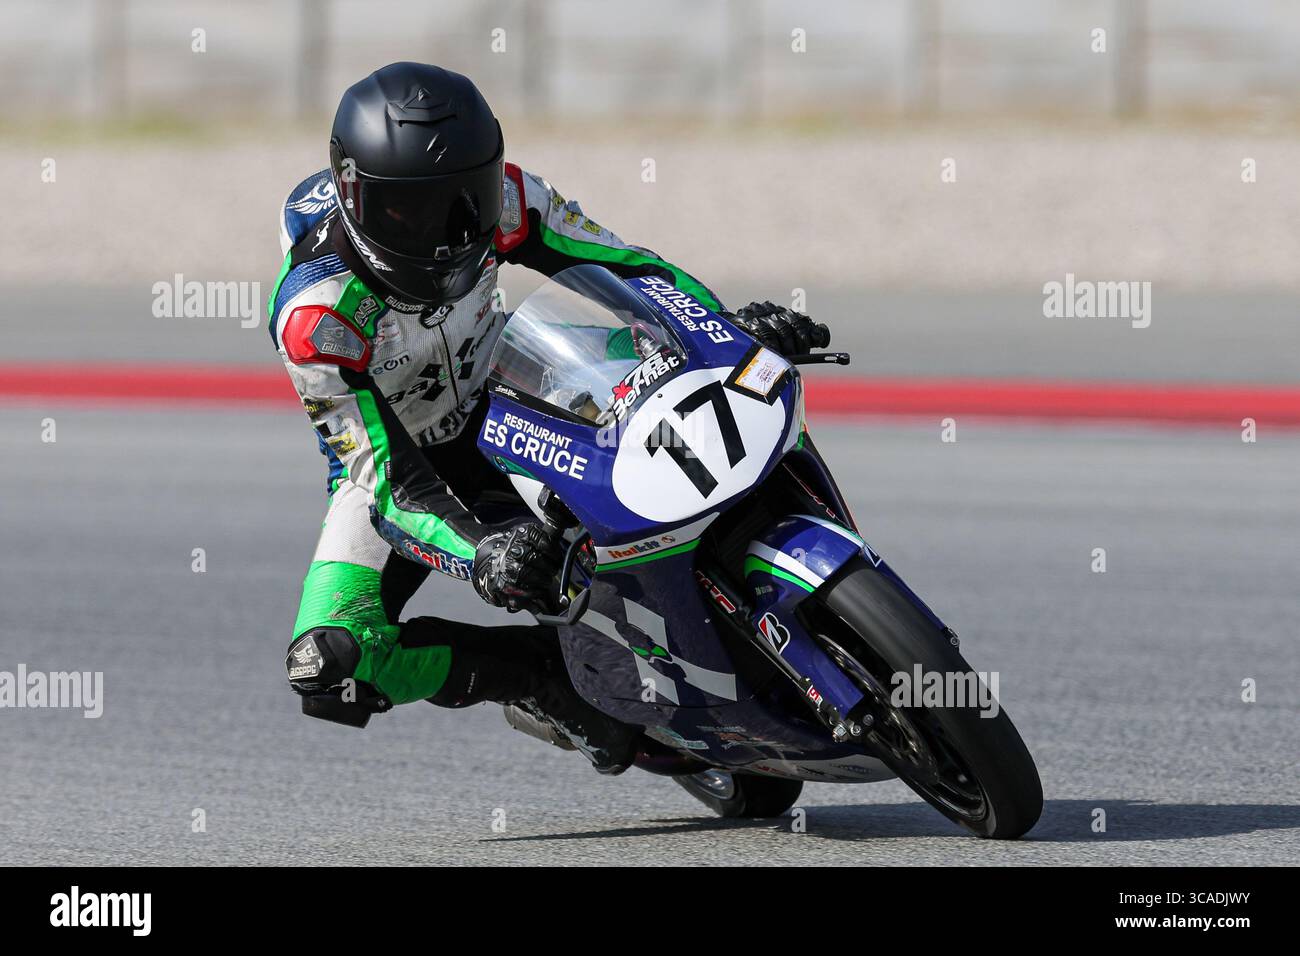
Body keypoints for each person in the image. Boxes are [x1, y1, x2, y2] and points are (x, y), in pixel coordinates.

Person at [270, 62, 829, 773]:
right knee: (329, 666)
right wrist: (482, 552)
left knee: (710, 394)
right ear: (356, 196)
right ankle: (543, 679)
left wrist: (728, 328)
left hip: (519, 383)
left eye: (464, 198)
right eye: (412, 211)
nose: (450, 231)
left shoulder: (506, 198)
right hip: (401, 457)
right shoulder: (317, 319)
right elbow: (386, 481)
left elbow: (629, 268)